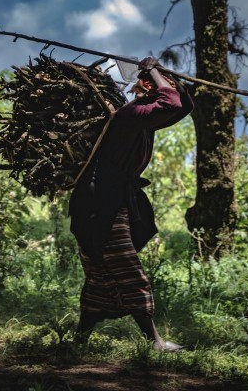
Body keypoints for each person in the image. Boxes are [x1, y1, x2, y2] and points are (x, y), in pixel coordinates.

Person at [68, 57, 193, 351]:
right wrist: (151, 71)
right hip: (99, 202)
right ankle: (155, 342)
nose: (169, 89)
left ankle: (78, 340)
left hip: (110, 198)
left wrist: (161, 74)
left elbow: (182, 106)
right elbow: (173, 104)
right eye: (163, 85)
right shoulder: (132, 113)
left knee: (102, 272)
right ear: (149, 88)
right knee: (123, 267)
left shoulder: (143, 116)